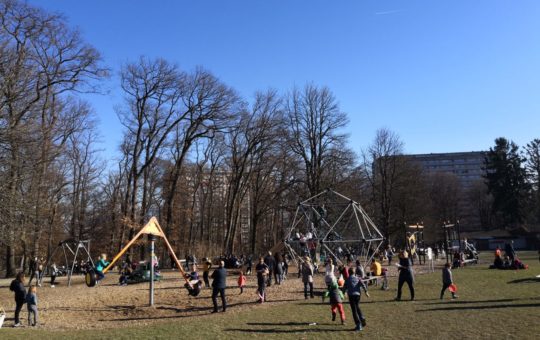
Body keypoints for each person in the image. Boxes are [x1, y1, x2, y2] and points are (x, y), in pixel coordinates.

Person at [345, 267, 369, 331]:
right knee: (357, 306)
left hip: (351, 295)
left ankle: (358, 325)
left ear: (348, 273)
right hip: (358, 295)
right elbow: (363, 284)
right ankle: (362, 318)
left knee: (354, 310)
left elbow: (344, 287)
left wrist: (343, 293)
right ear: (354, 272)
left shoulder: (347, 279)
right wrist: (366, 292)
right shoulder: (358, 278)